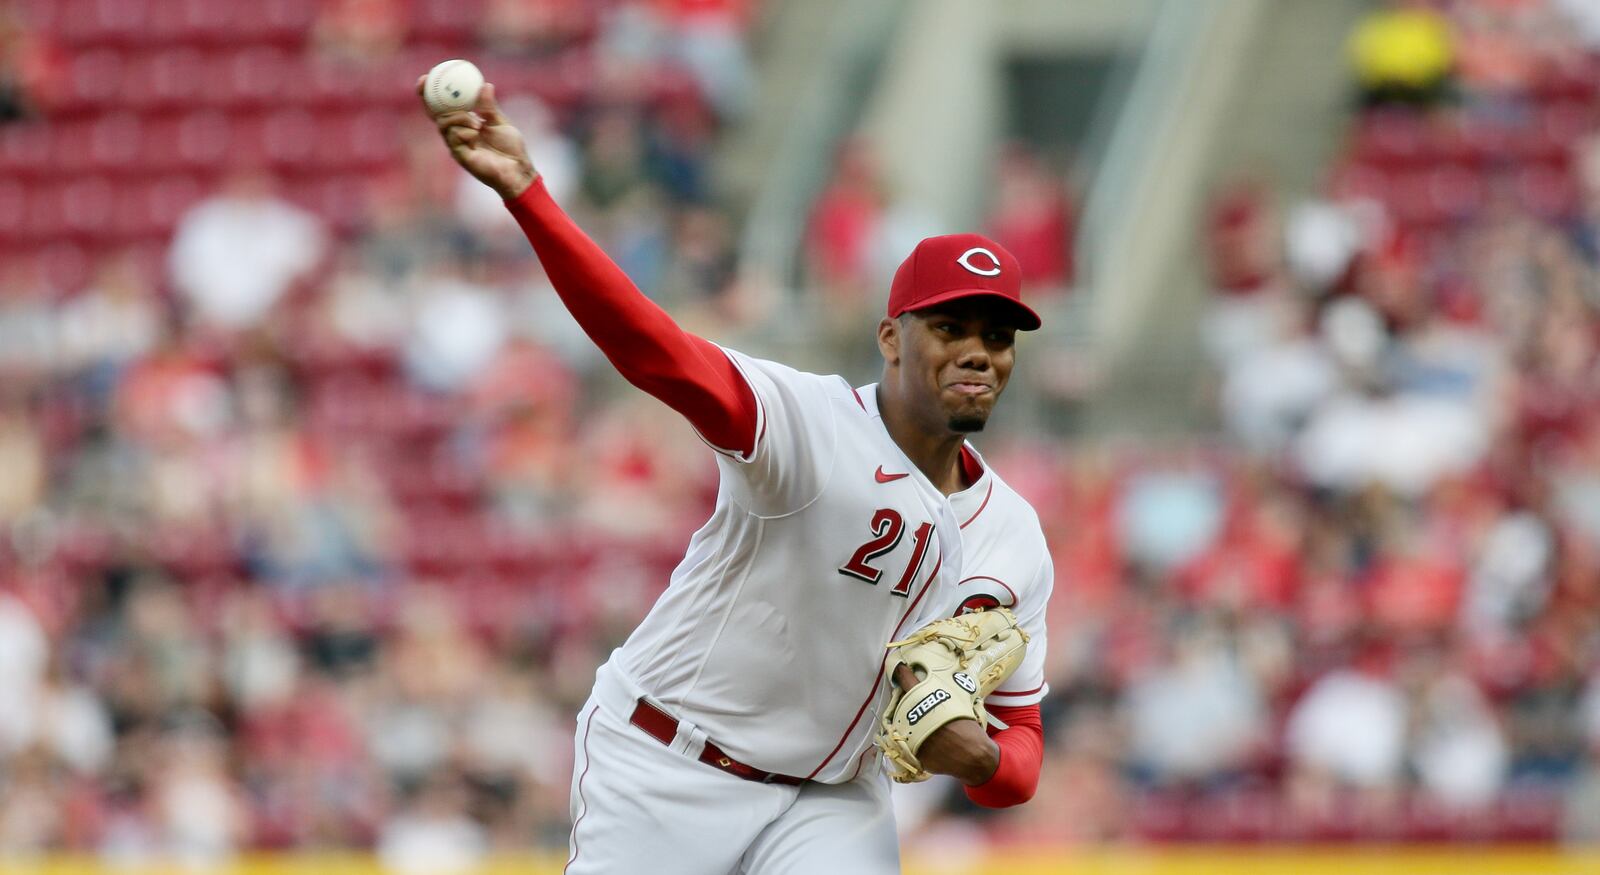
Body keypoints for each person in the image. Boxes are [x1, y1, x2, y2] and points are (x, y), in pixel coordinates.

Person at [420, 78, 1054, 874]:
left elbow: (1020, 743)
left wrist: (984, 759)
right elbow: (655, 352)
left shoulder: (1016, 534)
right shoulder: (810, 424)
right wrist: (529, 196)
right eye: (950, 327)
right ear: (892, 337)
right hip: (670, 761)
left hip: (833, 797)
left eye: (997, 336)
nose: (977, 352)